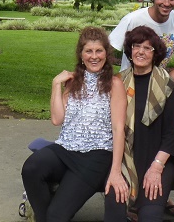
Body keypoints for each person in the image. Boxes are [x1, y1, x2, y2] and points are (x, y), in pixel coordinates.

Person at [21, 27, 128, 222]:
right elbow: (57, 119)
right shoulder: (73, 82)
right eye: (88, 51)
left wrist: (115, 171)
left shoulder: (114, 84)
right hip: (66, 149)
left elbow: (118, 129)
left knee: (57, 215)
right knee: (31, 168)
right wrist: (56, 84)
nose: (94, 56)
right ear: (81, 54)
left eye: (99, 51)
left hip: (96, 155)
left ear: (107, 53)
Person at [109, 0, 174, 218]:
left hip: (157, 87)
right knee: (130, 137)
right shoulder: (133, 19)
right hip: (130, 87)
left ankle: (157, 197)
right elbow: (112, 51)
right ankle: (134, 199)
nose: (166, 3)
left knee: (156, 137)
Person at [104, 26, 174, 222]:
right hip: (125, 159)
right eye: (136, 46)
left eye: (148, 48)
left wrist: (156, 168)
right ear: (129, 50)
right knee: (115, 210)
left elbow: (172, 133)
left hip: (158, 159)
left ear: (156, 53)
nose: (141, 52)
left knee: (150, 216)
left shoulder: (167, 84)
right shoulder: (119, 82)